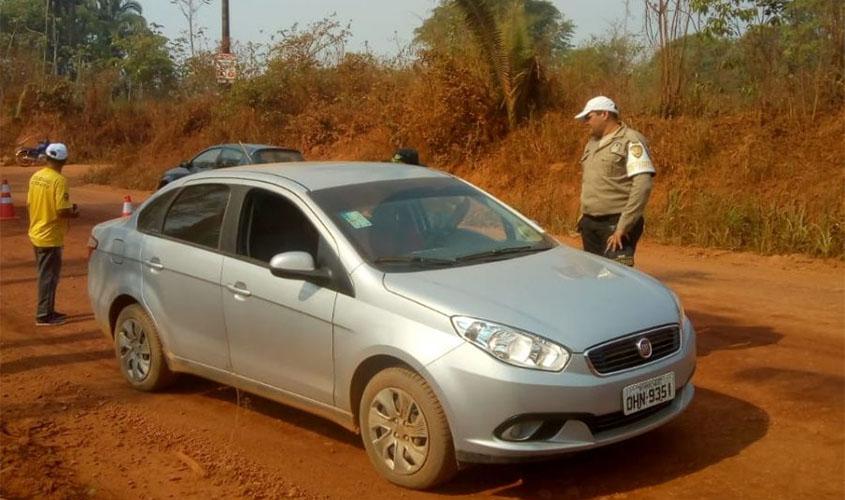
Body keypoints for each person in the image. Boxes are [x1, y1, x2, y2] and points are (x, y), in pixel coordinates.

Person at [574, 96, 655, 266]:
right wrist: (583, 217)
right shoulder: (592, 143)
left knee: (615, 277)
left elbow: (642, 185)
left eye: (588, 117)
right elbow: (590, 181)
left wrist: (623, 226)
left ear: (604, 114)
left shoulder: (631, 141)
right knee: (594, 275)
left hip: (616, 223)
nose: (585, 122)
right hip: (590, 223)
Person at [27, 142, 78, 326]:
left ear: (47, 158)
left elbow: (30, 203)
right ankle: (43, 315)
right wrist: (74, 211)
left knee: (45, 274)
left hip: (36, 231)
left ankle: (47, 309)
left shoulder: (36, 177)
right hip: (50, 235)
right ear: (63, 160)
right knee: (48, 276)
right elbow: (62, 210)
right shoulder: (59, 181)